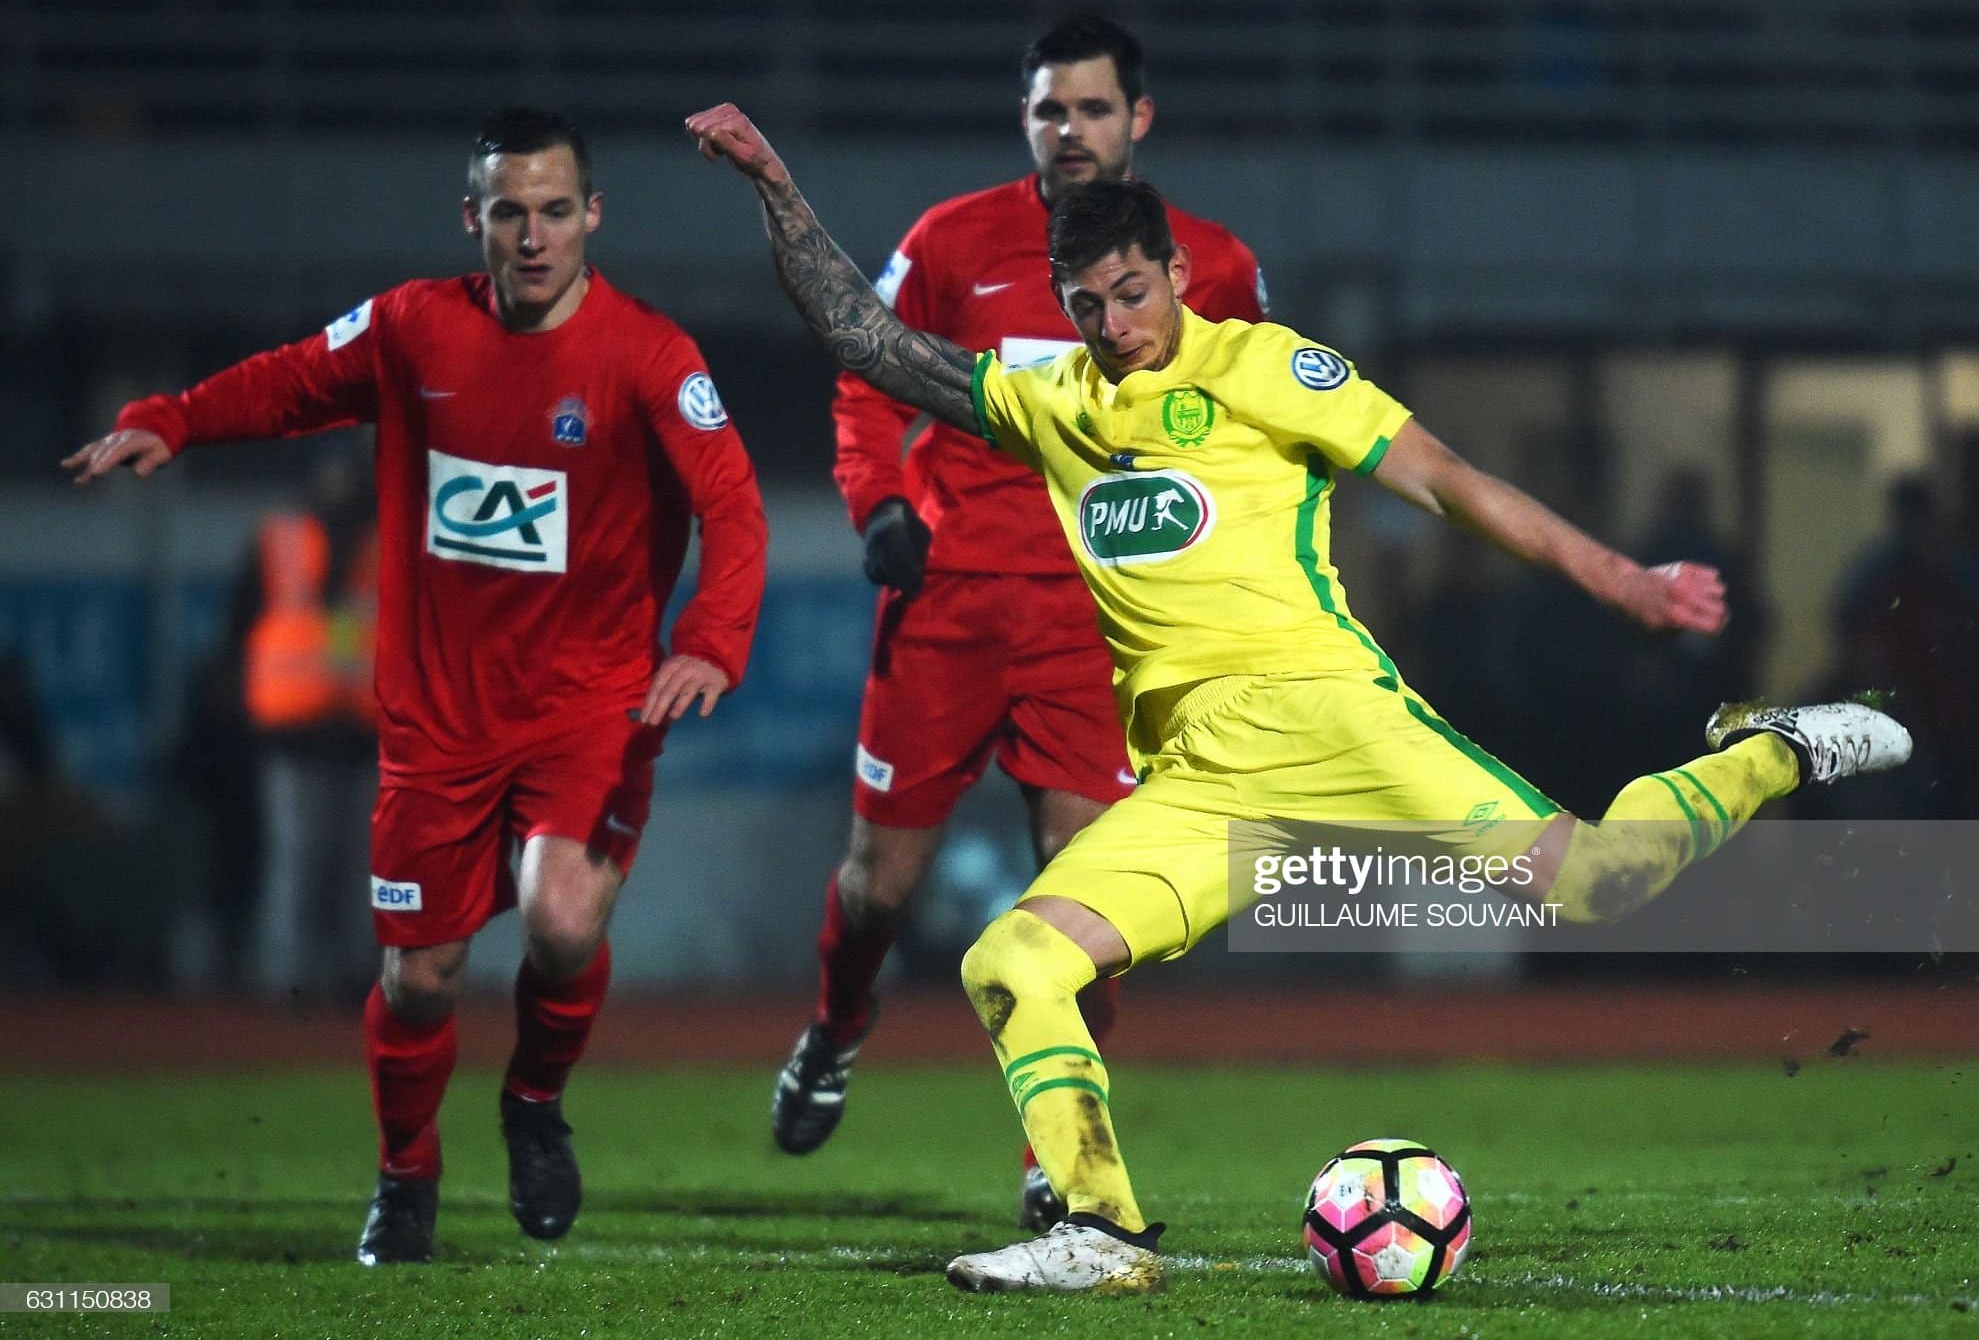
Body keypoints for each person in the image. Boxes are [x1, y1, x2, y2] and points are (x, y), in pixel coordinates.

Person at [686, 103, 1915, 1293]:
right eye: (1087, 304)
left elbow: (1443, 479)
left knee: (1598, 881)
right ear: (1061, 309)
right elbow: (863, 338)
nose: (1115, 322)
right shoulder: (1050, 405)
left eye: (1133, 291)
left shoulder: (1264, 365)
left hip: (1331, 722)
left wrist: (1622, 579)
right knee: (1012, 958)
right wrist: (771, 185)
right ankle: (1101, 1230)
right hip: (1201, 784)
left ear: (1175, 273)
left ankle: (1768, 752)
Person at [65, 108, 769, 1266]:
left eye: (554, 211)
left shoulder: (651, 354)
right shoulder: (412, 328)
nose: (532, 237)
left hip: (587, 704)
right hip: (436, 722)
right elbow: (293, 380)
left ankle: (534, 1101)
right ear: (472, 220)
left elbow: (735, 505)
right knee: (421, 977)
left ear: (592, 215)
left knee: (560, 916)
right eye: (509, 213)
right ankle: (406, 1175)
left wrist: (709, 640)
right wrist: (171, 422)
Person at [775, 15, 1266, 1233]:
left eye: (1094, 109)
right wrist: (880, 502)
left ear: (1137, 120)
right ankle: (837, 1028)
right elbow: (862, 376)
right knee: (876, 888)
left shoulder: (1217, 261)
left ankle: (1054, 1159)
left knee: (1082, 899)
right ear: (1026, 122)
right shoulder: (951, 241)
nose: (1073, 131)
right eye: (1051, 110)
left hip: (1098, 629)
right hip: (945, 609)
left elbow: (1257, 418)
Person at [233, 447, 380, 1001]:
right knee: (298, 862)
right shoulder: (281, 540)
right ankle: (290, 981)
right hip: (294, 733)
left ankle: (348, 979)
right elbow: (240, 629)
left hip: (363, 733)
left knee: (355, 869)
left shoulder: (385, 541)